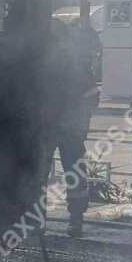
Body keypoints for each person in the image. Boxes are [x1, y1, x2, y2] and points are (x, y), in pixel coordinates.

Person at [45, 19, 98, 238]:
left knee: (73, 174)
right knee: (45, 173)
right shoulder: (47, 62)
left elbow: (91, 95)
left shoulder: (72, 62)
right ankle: (44, 218)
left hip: (66, 128)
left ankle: (75, 218)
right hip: (52, 126)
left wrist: (79, 122)